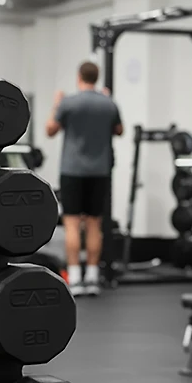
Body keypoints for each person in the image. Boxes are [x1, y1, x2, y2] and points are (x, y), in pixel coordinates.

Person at [46, 61, 123, 297]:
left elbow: (50, 130)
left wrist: (56, 104)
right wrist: (106, 104)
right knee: (93, 225)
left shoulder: (69, 103)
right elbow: (119, 131)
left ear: (79, 76)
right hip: (99, 171)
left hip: (73, 170)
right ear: (97, 77)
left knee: (71, 224)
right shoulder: (108, 102)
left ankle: (75, 278)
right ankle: (92, 278)